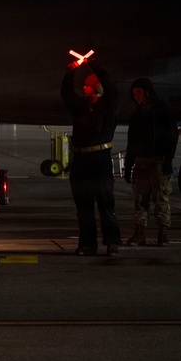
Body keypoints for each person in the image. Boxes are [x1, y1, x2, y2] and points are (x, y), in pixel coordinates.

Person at [60, 57, 121, 256]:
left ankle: (112, 243)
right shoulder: (81, 106)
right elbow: (66, 94)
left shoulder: (108, 108)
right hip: (81, 161)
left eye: (87, 86)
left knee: (105, 204)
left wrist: (96, 66)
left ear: (96, 89)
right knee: (83, 206)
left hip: (100, 159)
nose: (84, 89)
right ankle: (87, 244)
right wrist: (70, 73)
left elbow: (111, 88)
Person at [123, 77, 179, 245]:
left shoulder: (163, 110)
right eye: (134, 94)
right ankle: (139, 233)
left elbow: (171, 135)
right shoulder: (136, 115)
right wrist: (128, 165)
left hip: (159, 162)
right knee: (140, 199)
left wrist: (168, 158)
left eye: (138, 93)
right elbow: (131, 141)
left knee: (161, 198)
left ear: (148, 92)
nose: (136, 96)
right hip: (141, 162)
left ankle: (163, 233)